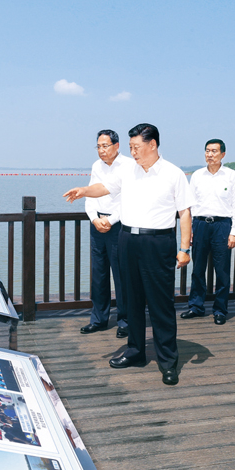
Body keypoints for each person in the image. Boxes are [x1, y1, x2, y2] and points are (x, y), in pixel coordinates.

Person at [64, 123, 193, 386]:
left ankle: (168, 361)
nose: (132, 152)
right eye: (131, 147)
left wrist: (184, 249)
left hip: (158, 241)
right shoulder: (127, 171)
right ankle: (135, 351)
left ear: (152, 144)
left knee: (160, 303)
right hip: (127, 240)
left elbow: (185, 212)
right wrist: (83, 191)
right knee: (131, 300)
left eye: (136, 147)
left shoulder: (173, 173)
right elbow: (104, 188)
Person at [180, 139, 235, 325]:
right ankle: (196, 307)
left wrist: (234, 232)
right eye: (207, 151)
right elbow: (190, 205)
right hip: (200, 224)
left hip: (222, 226)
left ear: (223, 154)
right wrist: (190, 230)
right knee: (198, 268)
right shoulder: (197, 175)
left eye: (214, 151)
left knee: (222, 270)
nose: (210, 154)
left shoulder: (231, 176)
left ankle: (220, 310)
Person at [81, 129, 134, 338]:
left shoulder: (129, 165)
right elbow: (90, 195)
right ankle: (99, 320)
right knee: (99, 274)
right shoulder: (96, 166)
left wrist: (110, 221)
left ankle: (125, 321)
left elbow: (129, 200)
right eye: (99, 146)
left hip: (118, 225)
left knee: (121, 275)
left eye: (105, 146)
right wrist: (94, 219)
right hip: (97, 225)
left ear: (116, 146)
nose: (101, 150)